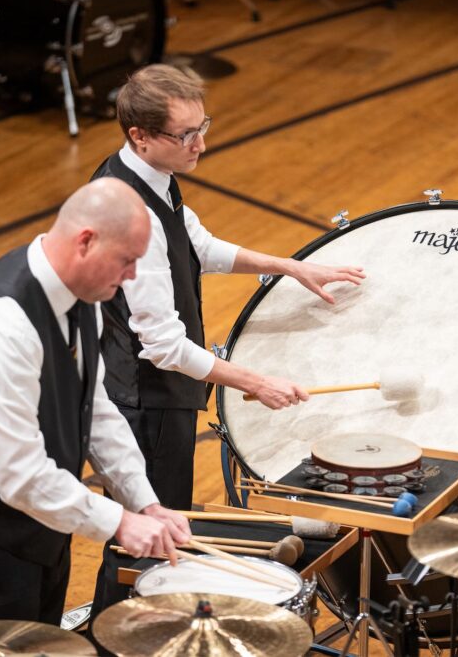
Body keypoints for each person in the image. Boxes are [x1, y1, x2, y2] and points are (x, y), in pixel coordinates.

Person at [88, 64, 365, 618]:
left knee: (156, 536)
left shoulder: (153, 176)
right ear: (140, 136)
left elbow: (199, 245)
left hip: (159, 394)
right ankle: (113, 635)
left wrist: (290, 267)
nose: (201, 145)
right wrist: (254, 382)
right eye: (186, 135)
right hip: (146, 402)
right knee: (146, 544)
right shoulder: (129, 211)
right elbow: (163, 346)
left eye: (203, 127)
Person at [0, 178, 191, 626]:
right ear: (85, 242)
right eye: (127, 260)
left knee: (41, 640)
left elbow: (94, 410)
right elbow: (19, 475)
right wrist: (118, 522)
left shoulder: (85, 295)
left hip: (43, 516)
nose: (133, 275)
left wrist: (145, 502)